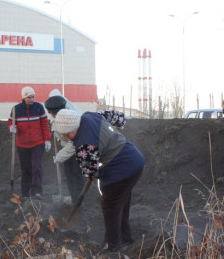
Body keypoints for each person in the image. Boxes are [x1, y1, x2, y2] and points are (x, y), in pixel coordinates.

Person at [54, 109, 145, 253]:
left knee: (110, 204)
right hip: (135, 160)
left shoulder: (83, 144)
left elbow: (91, 171)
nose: (68, 137)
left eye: (69, 133)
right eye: (64, 134)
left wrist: (92, 172)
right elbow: (118, 117)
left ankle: (112, 246)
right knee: (121, 200)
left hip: (123, 168)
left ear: (76, 125)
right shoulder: (90, 116)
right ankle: (126, 239)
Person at [8, 86, 51, 201]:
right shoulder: (15, 109)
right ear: (23, 97)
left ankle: (36, 192)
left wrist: (47, 139)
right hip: (22, 144)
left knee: (36, 166)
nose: (31, 99)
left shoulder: (39, 108)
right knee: (26, 168)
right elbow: (10, 122)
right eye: (29, 97)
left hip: (38, 142)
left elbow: (44, 125)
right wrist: (11, 128)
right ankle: (25, 193)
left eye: (33, 97)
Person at [45, 90, 85, 201]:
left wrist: (59, 157)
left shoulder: (72, 117)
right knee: (69, 174)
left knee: (77, 174)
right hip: (66, 146)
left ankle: (79, 202)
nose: (51, 115)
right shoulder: (57, 110)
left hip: (78, 148)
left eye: (52, 113)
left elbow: (73, 144)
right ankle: (73, 198)